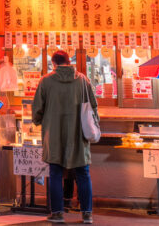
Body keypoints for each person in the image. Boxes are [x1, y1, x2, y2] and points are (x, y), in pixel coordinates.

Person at [32, 50, 97, 224]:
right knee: (83, 173)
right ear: (69, 61)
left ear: (53, 63)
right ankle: (87, 214)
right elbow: (93, 105)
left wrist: (38, 120)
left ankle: (58, 213)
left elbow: (37, 109)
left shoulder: (46, 81)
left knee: (55, 173)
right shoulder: (83, 80)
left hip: (53, 134)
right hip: (78, 133)